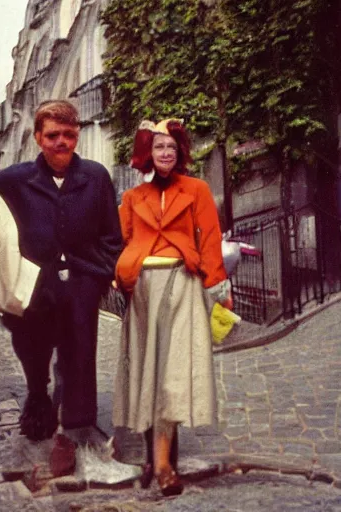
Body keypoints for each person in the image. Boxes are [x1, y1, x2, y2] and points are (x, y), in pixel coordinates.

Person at [0, 100, 123, 443]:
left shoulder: (95, 178)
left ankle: (74, 432)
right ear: (38, 137)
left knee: (78, 360)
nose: (62, 142)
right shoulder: (13, 181)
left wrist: (98, 277)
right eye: (53, 134)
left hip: (80, 286)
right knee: (34, 355)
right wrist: (2, 280)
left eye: (69, 135)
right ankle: (37, 399)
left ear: (78, 136)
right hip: (33, 290)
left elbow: (111, 236)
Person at [112, 119, 233, 496]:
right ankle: (152, 458)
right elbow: (123, 240)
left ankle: (163, 464)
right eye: (159, 147)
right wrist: (121, 278)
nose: (165, 153)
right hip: (144, 290)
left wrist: (218, 290)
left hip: (182, 284)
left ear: (180, 152)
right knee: (147, 370)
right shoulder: (133, 198)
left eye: (171, 148)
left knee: (171, 371)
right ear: (149, 153)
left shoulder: (196, 190)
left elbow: (210, 239)